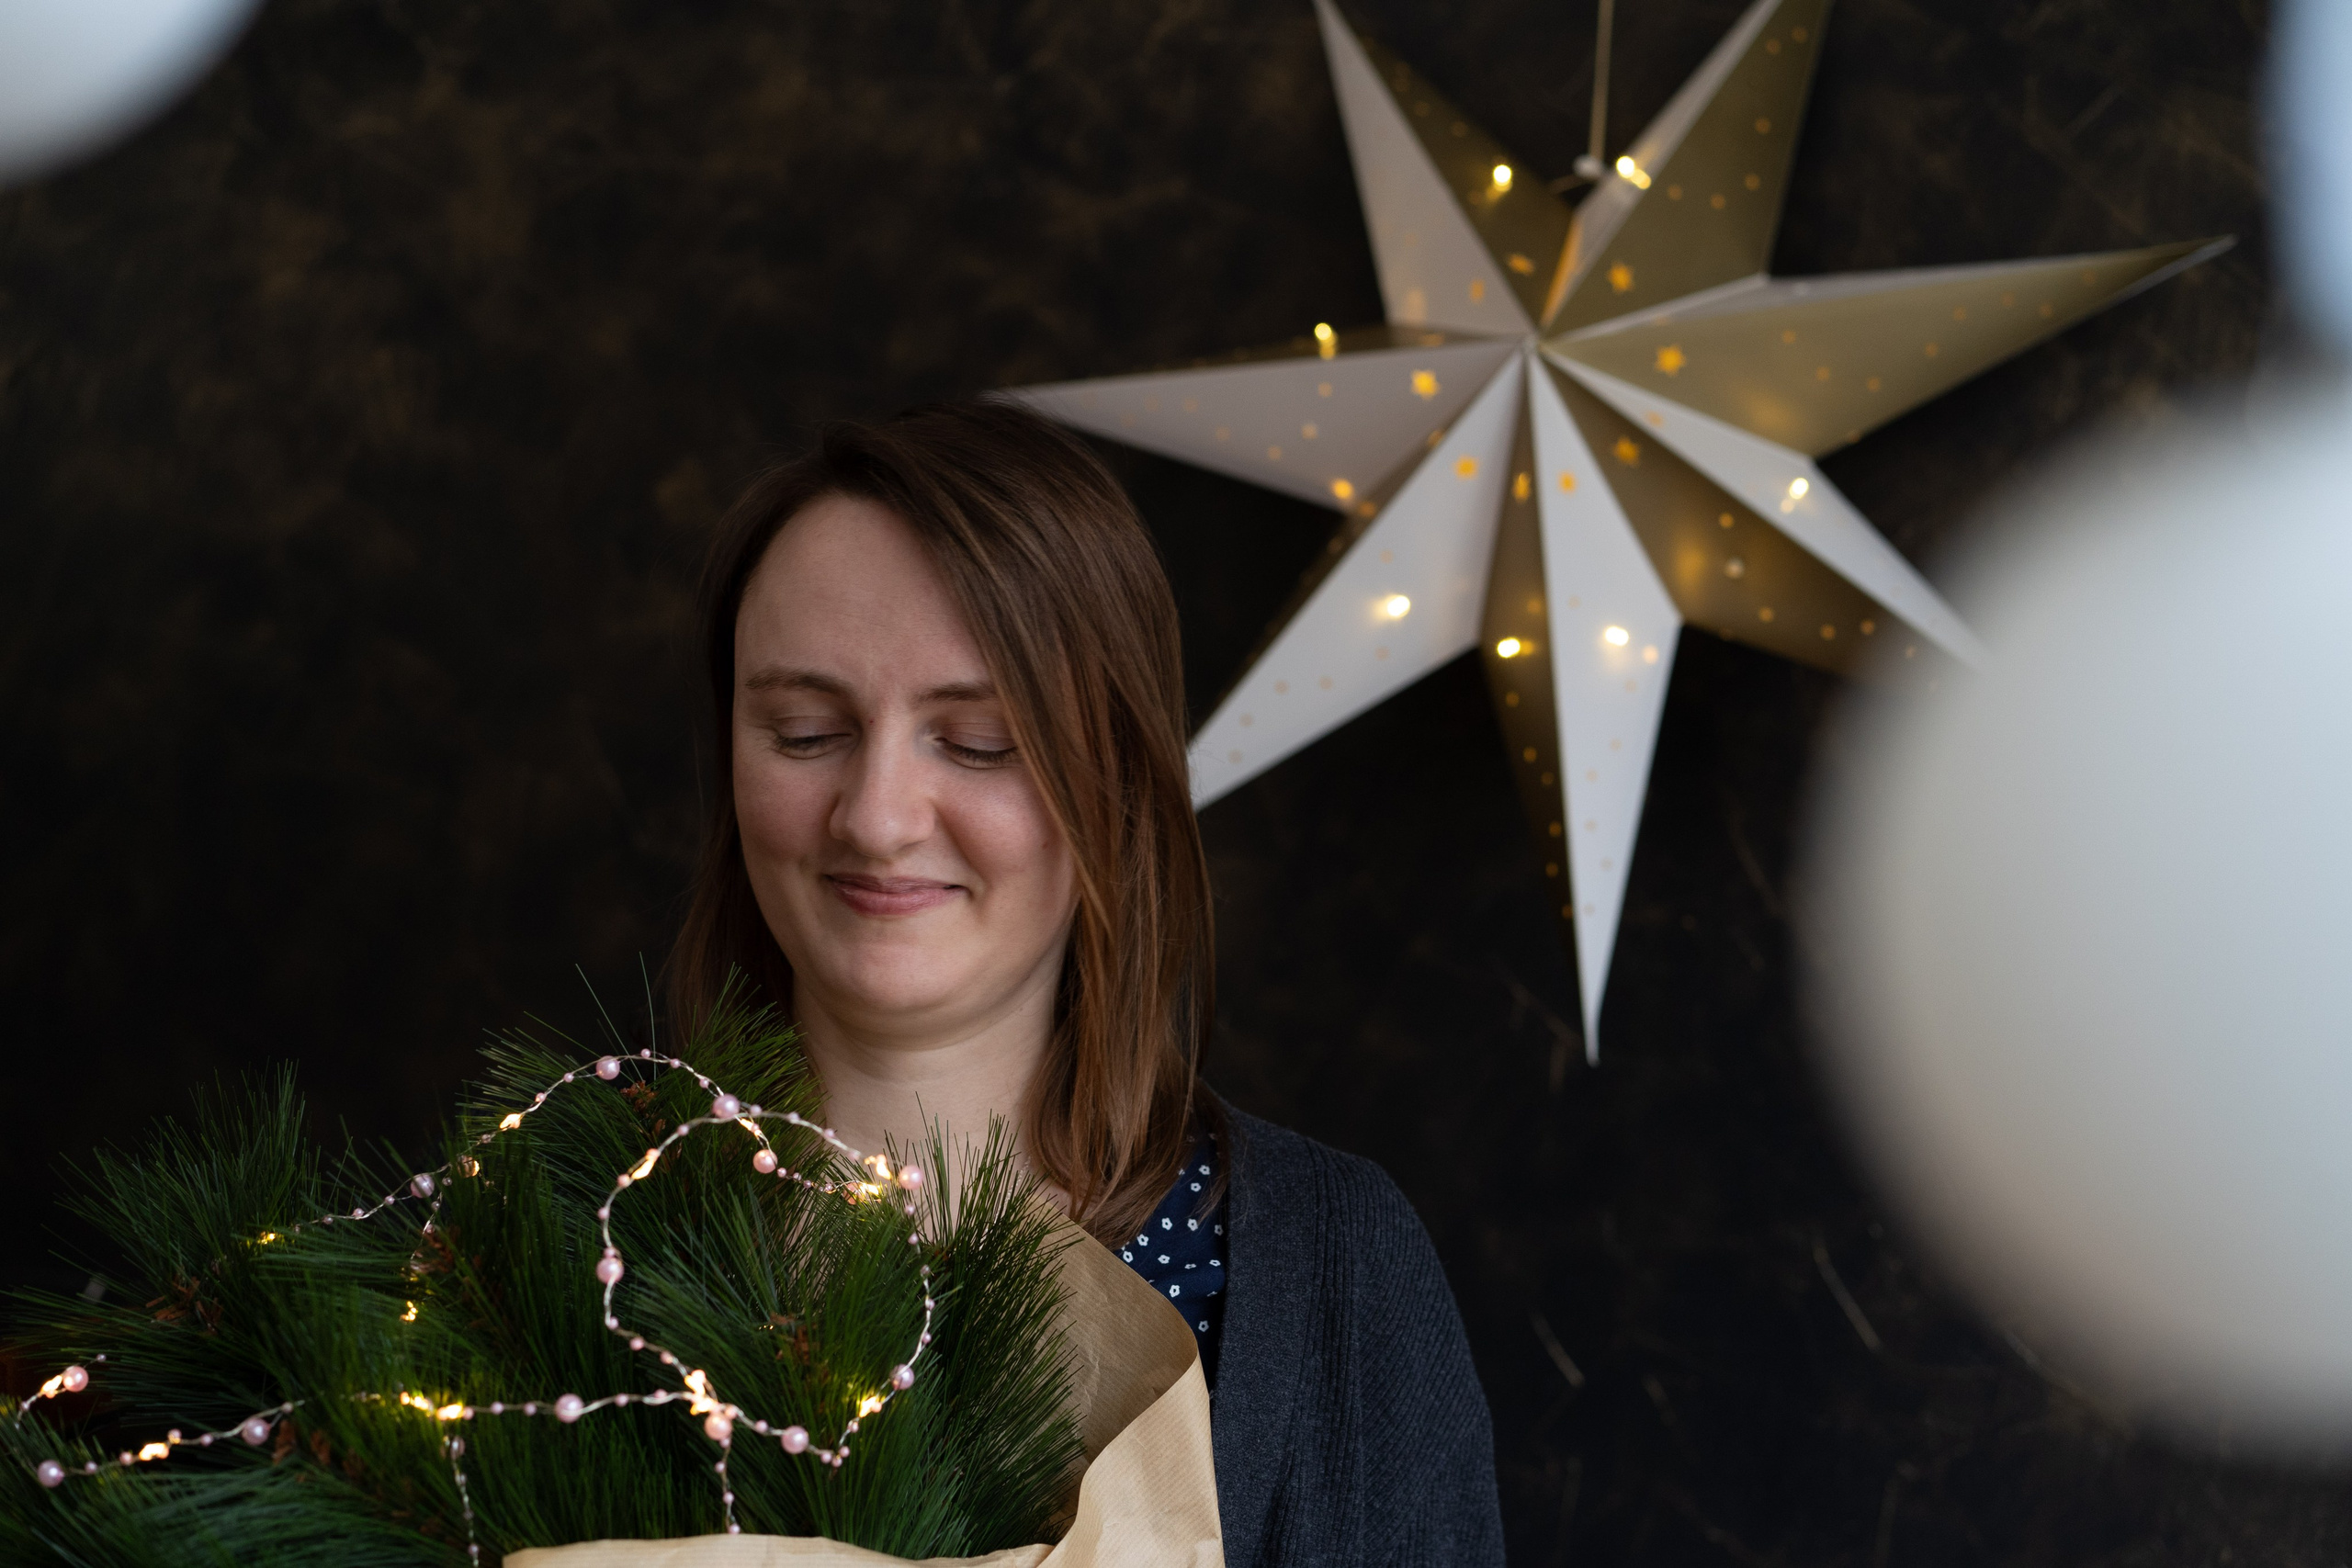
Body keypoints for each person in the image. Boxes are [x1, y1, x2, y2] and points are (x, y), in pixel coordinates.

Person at [667, 399, 1502, 1566]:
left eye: (979, 742)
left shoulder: (1325, 1274)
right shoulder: (540, 1242)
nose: (878, 817)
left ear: (1115, 782)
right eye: (806, 733)